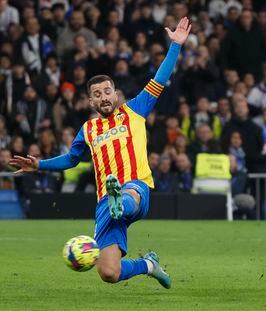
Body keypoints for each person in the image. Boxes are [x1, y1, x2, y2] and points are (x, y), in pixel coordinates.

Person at [9, 17, 191, 288]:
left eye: (108, 91)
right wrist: (40, 165)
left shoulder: (135, 110)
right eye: (98, 94)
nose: (104, 96)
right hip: (105, 202)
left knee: (128, 195)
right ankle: (149, 264)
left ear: (116, 94)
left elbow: (160, 78)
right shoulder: (88, 129)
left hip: (135, 188)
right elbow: (72, 159)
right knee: (109, 273)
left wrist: (175, 45)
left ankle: (121, 201)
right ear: (91, 101)